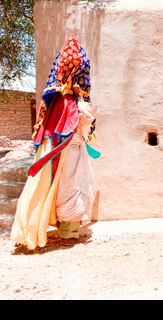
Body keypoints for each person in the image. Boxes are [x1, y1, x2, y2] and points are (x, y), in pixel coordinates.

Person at [10, 35, 99, 249]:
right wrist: (79, 98)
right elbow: (84, 121)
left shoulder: (54, 101)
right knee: (71, 187)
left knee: (61, 187)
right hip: (68, 150)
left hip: (57, 149)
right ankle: (68, 235)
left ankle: (61, 229)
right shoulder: (69, 101)